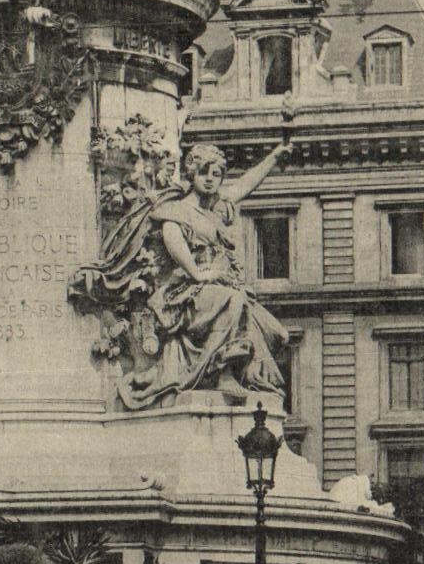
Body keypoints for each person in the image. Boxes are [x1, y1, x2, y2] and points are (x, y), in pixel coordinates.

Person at [75, 139, 291, 410]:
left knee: (278, 334)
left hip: (221, 288)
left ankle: (241, 376)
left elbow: (243, 186)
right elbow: (173, 242)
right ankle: (224, 374)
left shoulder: (215, 210)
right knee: (232, 301)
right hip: (185, 293)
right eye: (205, 172)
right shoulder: (176, 210)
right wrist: (200, 274)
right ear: (192, 173)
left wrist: (275, 156)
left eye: (217, 174)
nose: (211, 179)